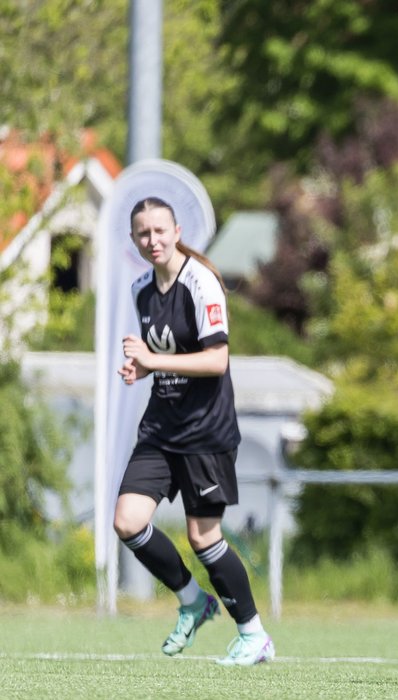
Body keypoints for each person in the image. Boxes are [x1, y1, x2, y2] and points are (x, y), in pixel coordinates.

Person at [113, 196, 273, 666]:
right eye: (143, 233)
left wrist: (151, 360)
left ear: (177, 230)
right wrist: (141, 372)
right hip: (161, 429)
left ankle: (254, 634)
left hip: (206, 431)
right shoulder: (142, 289)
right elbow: (164, 358)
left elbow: (216, 359)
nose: (153, 240)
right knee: (128, 521)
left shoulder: (201, 282)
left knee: (204, 538)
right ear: (134, 240)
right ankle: (192, 600)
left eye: (160, 231)